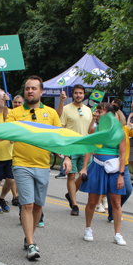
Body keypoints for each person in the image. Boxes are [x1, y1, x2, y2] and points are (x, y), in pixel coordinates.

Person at [6, 75, 71, 260]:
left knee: (38, 206)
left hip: (42, 165)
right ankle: (32, 244)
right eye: (27, 88)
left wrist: (66, 156)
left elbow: (60, 137)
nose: (30, 91)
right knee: (27, 204)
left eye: (34, 88)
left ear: (41, 92)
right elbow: (6, 132)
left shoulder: (50, 113)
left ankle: (29, 238)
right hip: (21, 164)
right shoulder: (15, 113)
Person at [79, 103, 127, 245]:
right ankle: (88, 228)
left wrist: (121, 175)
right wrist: (84, 168)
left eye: (102, 112)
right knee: (92, 201)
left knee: (116, 203)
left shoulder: (119, 133)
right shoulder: (95, 129)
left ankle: (117, 234)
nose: (99, 114)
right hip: (97, 166)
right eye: (99, 112)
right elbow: (89, 149)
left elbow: (123, 155)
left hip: (114, 169)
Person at [56, 84, 93, 216]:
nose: (78, 95)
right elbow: (61, 129)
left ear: (84, 95)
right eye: (76, 93)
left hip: (86, 147)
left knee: (85, 175)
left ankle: (70, 195)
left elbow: (91, 130)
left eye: (81, 93)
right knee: (71, 175)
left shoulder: (89, 110)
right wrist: (63, 148)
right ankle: (75, 204)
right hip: (71, 146)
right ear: (73, 94)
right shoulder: (66, 109)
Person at [11, 95, 24, 205]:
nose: (17, 104)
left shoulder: (25, 115)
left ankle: (16, 196)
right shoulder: (10, 113)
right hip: (7, 149)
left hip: (20, 151)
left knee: (16, 176)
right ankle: (14, 195)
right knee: (12, 176)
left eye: (20, 102)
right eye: (15, 102)